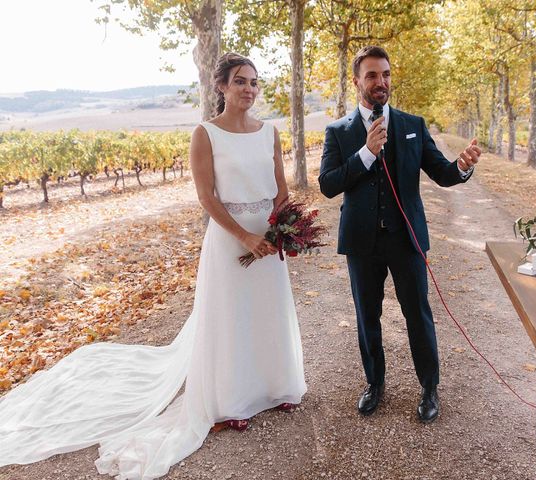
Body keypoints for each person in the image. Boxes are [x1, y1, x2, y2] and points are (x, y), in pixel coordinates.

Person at [0, 52, 306, 479]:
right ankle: (232, 402)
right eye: (240, 81)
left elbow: (280, 188)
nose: (249, 89)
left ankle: (276, 386)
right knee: (232, 317)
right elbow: (207, 198)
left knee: (268, 311)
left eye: (254, 82)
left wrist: (283, 229)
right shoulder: (206, 134)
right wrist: (244, 236)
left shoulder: (269, 132)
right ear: (221, 86)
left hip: (268, 237)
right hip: (230, 238)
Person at [318, 45, 481, 424]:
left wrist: (462, 166)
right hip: (361, 242)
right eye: (372, 75)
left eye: (386, 74)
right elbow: (327, 185)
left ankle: (429, 387)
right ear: (357, 81)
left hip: (406, 239)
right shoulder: (339, 132)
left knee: (417, 313)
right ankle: (374, 384)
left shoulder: (413, 125)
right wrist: (365, 153)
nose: (381, 82)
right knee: (367, 316)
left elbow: (442, 172)